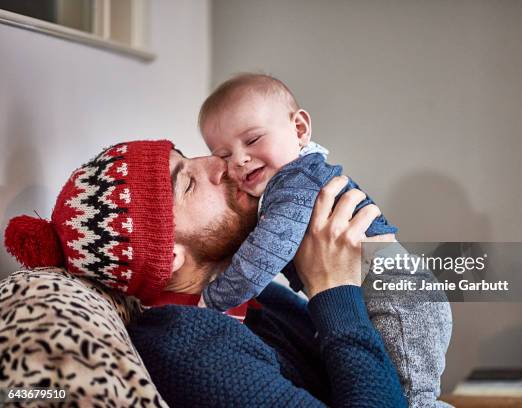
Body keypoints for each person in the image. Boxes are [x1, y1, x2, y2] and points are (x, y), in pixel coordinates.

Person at [4, 140, 406, 407]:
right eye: (189, 184)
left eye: (190, 156)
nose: (220, 164)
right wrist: (333, 288)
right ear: (170, 254)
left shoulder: (254, 297)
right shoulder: (189, 351)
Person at [197, 73, 452, 406]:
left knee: (411, 398)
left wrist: (213, 299)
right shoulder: (280, 187)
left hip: (400, 299)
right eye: (224, 155)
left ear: (299, 129)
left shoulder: (296, 181)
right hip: (378, 298)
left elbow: (263, 255)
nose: (240, 159)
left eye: (253, 139)